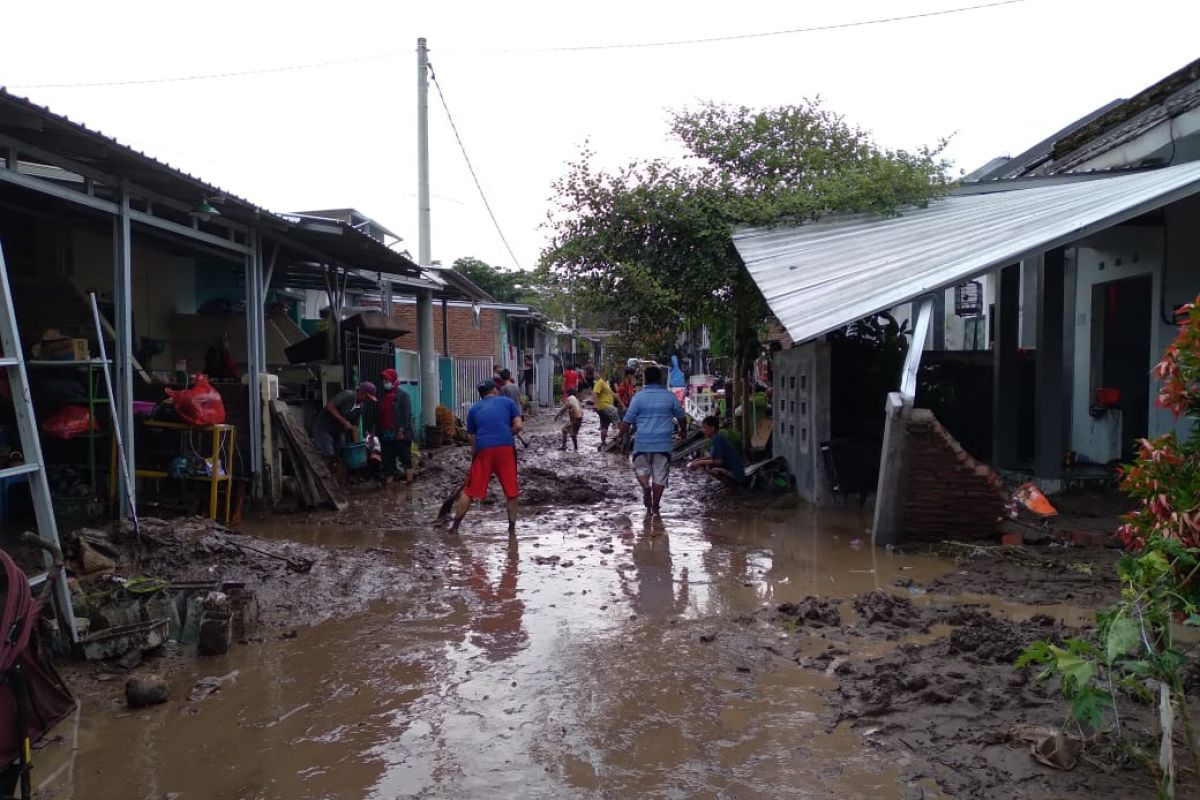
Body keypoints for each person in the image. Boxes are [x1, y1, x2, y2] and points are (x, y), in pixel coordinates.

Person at [449, 381, 523, 536]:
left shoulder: (474, 409)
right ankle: (511, 530)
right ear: (495, 390)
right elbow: (518, 426)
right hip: (505, 449)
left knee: (469, 491)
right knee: (511, 491)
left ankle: (455, 527)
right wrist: (505, 435)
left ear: (481, 394)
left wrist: (475, 456)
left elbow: (472, 439)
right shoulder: (508, 402)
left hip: (483, 449)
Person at [619, 365, 687, 514]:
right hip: (663, 444)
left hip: (642, 442)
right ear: (661, 379)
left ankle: (645, 487)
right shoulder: (670, 397)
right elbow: (682, 417)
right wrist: (683, 432)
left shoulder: (638, 398)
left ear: (645, 379)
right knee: (660, 476)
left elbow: (627, 421)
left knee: (641, 469)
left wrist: (620, 437)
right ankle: (655, 507)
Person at [311, 381, 377, 459]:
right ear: (361, 392)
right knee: (327, 452)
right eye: (367, 397)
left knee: (340, 453)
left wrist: (358, 447)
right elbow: (329, 407)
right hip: (323, 428)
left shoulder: (360, 408)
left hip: (335, 431)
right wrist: (344, 422)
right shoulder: (346, 395)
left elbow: (354, 426)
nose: (367, 400)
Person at [377, 368, 414, 484]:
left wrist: (401, 430)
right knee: (387, 460)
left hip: (400, 433)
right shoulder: (382, 396)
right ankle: (389, 486)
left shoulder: (403, 396)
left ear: (393, 380)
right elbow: (379, 415)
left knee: (405, 458)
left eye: (386, 379)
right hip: (386, 433)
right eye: (383, 379)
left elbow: (407, 415)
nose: (384, 381)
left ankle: (409, 484)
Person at [688, 415, 747, 486]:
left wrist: (699, 462)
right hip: (734, 470)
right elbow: (712, 457)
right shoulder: (716, 438)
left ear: (712, 428)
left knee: (711, 468)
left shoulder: (717, 440)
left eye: (705, 427)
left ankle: (734, 485)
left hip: (736, 474)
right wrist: (697, 460)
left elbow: (718, 461)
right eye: (702, 428)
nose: (702, 430)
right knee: (706, 465)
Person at [592, 371, 620, 448]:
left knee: (604, 425)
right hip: (605, 406)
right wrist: (595, 404)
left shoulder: (606, 384)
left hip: (603, 408)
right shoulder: (600, 382)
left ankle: (603, 443)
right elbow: (595, 393)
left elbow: (613, 394)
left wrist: (620, 401)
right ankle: (617, 441)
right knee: (616, 421)